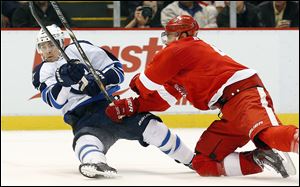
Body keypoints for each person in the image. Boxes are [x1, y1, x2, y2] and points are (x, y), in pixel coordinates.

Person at [105, 15, 299, 178]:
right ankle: (259, 158)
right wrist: (132, 106)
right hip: (228, 108)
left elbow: (146, 84)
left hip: (244, 95)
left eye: (171, 35)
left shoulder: (180, 49)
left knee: (266, 134)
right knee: (203, 163)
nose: (167, 40)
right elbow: (163, 100)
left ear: (184, 34)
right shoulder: (181, 65)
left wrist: (129, 91)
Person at [32, 24, 195, 178]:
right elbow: (56, 102)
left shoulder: (79, 49)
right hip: (83, 117)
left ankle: (192, 159)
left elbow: (117, 71)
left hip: (111, 106)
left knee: (152, 127)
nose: (48, 51)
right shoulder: (42, 71)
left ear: (60, 42)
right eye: (43, 46)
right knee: (85, 140)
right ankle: (96, 163)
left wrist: (98, 79)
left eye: (51, 45)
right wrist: (65, 81)